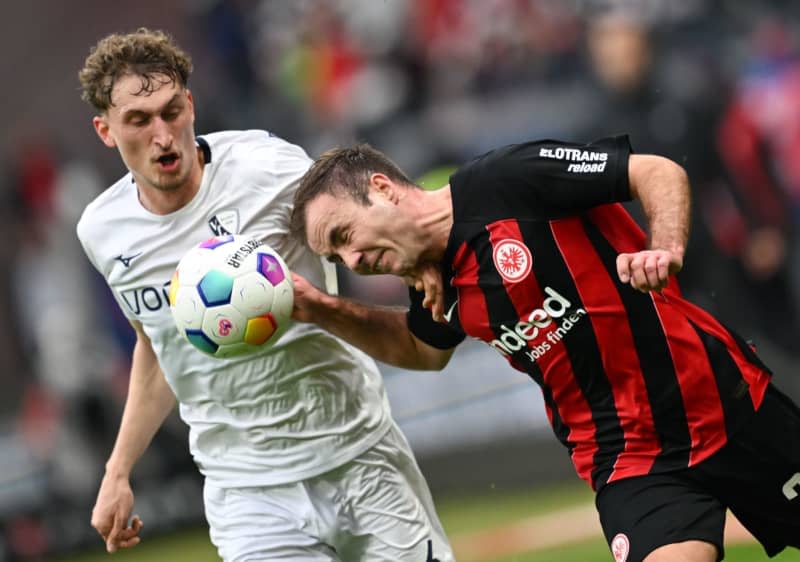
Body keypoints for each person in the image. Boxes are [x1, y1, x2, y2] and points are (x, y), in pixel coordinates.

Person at [289, 138, 800, 562]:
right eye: (336, 256)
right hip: (629, 460)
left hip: (725, 405)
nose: (351, 260)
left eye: (344, 235)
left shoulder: (505, 180)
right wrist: (317, 308)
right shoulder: (433, 280)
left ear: (382, 189)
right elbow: (423, 350)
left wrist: (663, 247)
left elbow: (655, 171)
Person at [76, 28, 453, 562]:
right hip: (249, 492)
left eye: (171, 111)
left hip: (360, 456)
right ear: (106, 131)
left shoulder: (268, 168)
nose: (163, 135)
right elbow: (157, 347)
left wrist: (419, 262)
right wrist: (117, 472)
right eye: (139, 120)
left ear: (191, 103)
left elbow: (362, 218)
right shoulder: (104, 232)